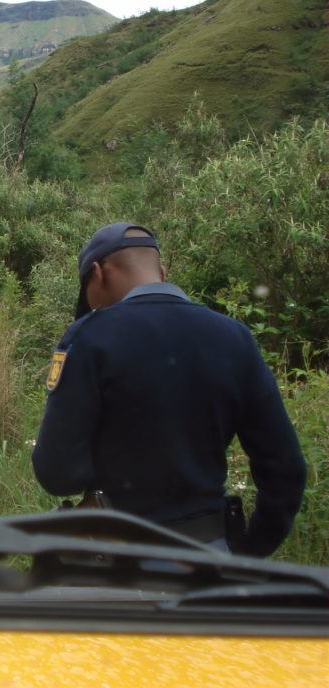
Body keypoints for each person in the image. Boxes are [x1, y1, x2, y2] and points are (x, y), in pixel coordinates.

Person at [33, 222, 306, 557]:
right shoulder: (234, 338)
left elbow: (58, 474)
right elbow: (286, 468)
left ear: (98, 273)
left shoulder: (89, 339)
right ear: (161, 272)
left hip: (115, 564)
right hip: (210, 559)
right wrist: (249, 553)